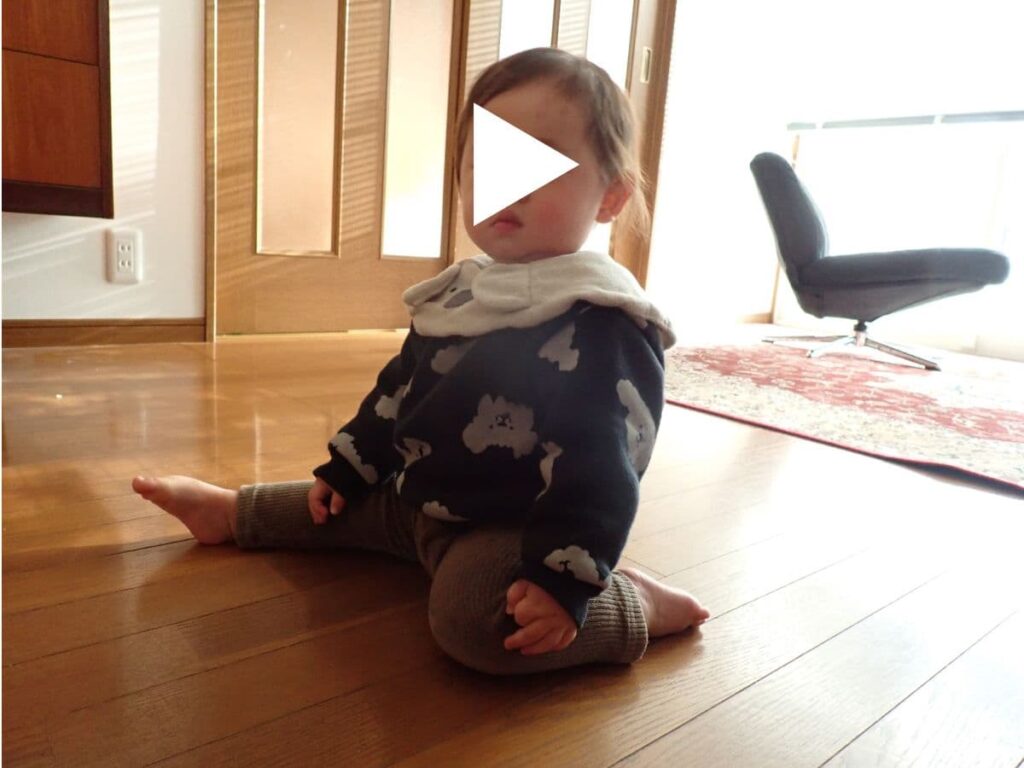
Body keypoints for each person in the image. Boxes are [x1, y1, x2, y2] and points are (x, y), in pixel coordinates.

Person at [133, 47, 708, 675]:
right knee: (332, 505)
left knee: (475, 624)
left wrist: (563, 579)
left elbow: (602, 466)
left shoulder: (600, 318)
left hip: (514, 530)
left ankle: (630, 602)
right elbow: (400, 390)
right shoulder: (461, 294)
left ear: (610, 196)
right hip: (420, 499)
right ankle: (233, 512)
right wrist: (351, 465)